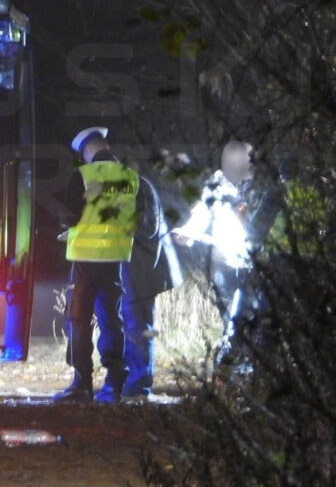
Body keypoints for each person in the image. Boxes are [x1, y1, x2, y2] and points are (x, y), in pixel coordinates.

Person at [54, 127, 152, 404]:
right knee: (112, 319)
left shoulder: (83, 175)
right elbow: (140, 219)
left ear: (86, 150)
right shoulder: (131, 178)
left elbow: (70, 217)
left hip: (85, 258)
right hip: (115, 258)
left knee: (78, 319)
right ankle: (114, 381)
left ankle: (82, 382)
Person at [172, 141, 254, 351]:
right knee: (226, 308)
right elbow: (203, 210)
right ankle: (233, 355)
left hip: (251, 260)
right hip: (222, 256)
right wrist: (188, 233)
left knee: (248, 309)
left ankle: (241, 355)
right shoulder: (218, 181)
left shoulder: (256, 183)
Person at [118, 173, 183, 400]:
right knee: (137, 326)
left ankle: (138, 385)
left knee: (137, 326)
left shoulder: (133, 185)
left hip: (140, 269)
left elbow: (144, 228)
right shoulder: (139, 183)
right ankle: (135, 382)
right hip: (143, 268)